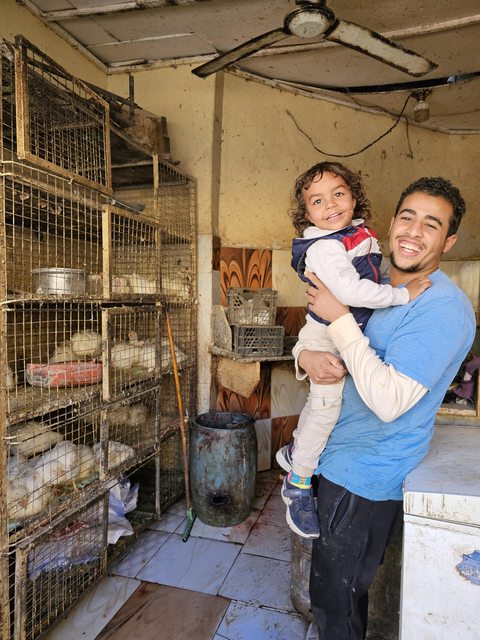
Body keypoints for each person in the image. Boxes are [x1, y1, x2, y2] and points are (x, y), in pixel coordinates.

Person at [292, 176, 476, 640]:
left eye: (431, 224)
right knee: (333, 598)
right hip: (334, 460)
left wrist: (339, 318)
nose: (414, 231)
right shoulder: (369, 282)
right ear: (391, 223)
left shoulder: (443, 308)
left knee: (337, 605)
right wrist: (304, 356)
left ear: (448, 241)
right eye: (407, 217)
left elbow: (390, 401)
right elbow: (319, 334)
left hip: (367, 478)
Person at [276, 162, 430, 538]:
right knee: (325, 411)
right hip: (325, 338)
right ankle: (298, 481)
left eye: (338, 194)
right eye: (317, 201)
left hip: (334, 334)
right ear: (306, 214)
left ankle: (295, 451)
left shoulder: (354, 235)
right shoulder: (326, 246)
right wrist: (402, 295)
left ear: (354, 197)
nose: (330, 204)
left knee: (320, 405)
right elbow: (349, 291)